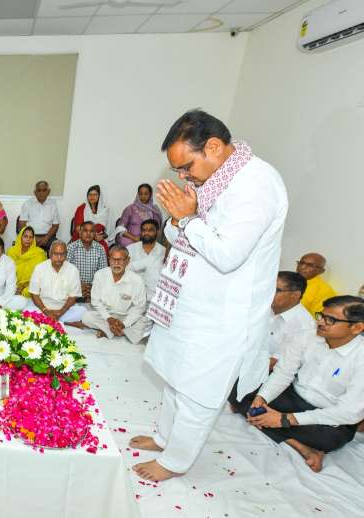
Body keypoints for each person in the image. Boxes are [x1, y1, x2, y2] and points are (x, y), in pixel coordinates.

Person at [131, 109, 288, 482]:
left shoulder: (257, 184)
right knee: (175, 378)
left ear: (214, 147)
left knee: (198, 392)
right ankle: (164, 437)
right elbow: (176, 234)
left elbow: (227, 254)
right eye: (178, 171)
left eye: (186, 167)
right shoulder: (214, 180)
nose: (184, 177)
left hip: (223, 314)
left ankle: (176, 461)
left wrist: (187, 219)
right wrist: (182, 219)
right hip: (189, 302)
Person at [231, 296, 364, 473]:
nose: (320, 322)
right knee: (239, 389)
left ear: (357, 328)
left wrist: (285, 419)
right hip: (293, 396)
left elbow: (348, 413)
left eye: (330, 320)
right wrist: (262, 398)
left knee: (330, 440)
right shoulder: (308, 335)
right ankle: (300, 446)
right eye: (321, 316)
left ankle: (267, 421)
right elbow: (284, 372)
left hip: (327, 415)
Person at [81, 245, 151, 343]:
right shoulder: (100, 275)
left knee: (146, 322)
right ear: (109, 260)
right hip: (106, 315)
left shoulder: (137, 280)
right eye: (113, 260)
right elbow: (95, 301)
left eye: (120, 260)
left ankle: (110, 331)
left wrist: (124, 324)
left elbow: (139, 307)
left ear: (127, 261)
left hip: (126, 316)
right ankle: (121, 332)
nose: (116, 263)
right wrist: (109, 318)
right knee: (86, 317)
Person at [25, 240, 84, 323]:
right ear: (50, 254)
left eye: (62, 254)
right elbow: (34, 293)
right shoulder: (39, 268)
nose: (59, 257)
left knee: (82, 311)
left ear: (66, 255)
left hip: (64, 309)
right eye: (56, 254)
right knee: (27, 310)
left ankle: (49, 320)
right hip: (43, 307)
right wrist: (46, 311)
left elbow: (73, 296)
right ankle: (62, 322)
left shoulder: (73, 270)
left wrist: (60, 312)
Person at [266, 271, 315, 370]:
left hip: (268, 372)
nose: (269, 293)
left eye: (276, 290)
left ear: (295, 295)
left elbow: (275, 363)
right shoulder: (264, 307)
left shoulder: (303, 326)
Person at [66, 221, 108, 303]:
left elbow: (103, 273)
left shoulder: (100, 249)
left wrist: (92, 287)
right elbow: (66, 272)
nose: (88, 233)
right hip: (74, 288)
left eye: (91, 231)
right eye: (85, 231)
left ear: (95, 233)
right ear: (80, 233)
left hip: (94, 288)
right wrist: (78, 286)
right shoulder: (71, 247)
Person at [128, 219, 166, 302]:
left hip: (154, 297)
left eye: (150, 230)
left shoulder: (163, 251)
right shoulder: (130, 249)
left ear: (157, 232)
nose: (146, 233)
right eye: (144, 230)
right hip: (132, 294)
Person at [18, 181, 60, 251]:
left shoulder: (53, 204)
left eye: (44, 190)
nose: (41, 193)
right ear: (35, 192)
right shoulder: (27, 204)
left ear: (48, 192)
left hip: (48, 236)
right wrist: (32, 238)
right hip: (30, 236)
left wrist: (46, 238)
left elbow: (56, 225)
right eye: (39, 190)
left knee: (57, 247)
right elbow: (21, 224)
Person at [8, 225, 47, 299]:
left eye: (31, 237)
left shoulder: (39, 254)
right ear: (20, 237)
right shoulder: (11, 252)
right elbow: (7, 273)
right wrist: (16, 287)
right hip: (13, 286)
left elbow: (41, 277)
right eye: (25, 236)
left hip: (30, 288)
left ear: (33, 239)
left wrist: (24, 287)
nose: (28, 239)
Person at [71, 185, 114, 249]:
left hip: (98, 238)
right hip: (81, 237)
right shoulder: (81, 208)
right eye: (90, 194)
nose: (92, 197)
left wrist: (102, 236)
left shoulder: (105, 210)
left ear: (99, 196)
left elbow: (109, 231)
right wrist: (92, 236)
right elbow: (78, 228)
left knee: (103, 249)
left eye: (95, 194)